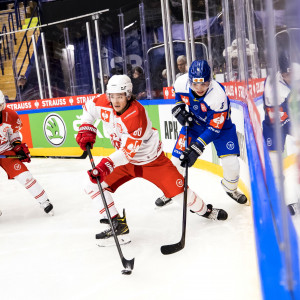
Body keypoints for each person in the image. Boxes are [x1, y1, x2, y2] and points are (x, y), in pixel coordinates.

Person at [76, 74, 228, 246]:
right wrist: (86, 127)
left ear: (128, 95)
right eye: (112, 96)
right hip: (125, 163)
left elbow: (128, 152)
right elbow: (88, 109)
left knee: (180, 193)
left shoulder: (136, 114)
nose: (116, 101)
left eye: (120, 96)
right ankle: (118, 226)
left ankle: (206, 211)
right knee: (92, 185)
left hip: (152, 162)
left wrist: (106, 164)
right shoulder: (104, 102)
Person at [155, 60, 248, 207]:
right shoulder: (181, 82)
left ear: (210, 81)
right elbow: (178, 97)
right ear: (189, 81)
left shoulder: (218, 95)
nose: (199, 88)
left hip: (222, 128)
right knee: (176, 161)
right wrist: (178, 108)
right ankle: (171, 190)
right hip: (194, 125)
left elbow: (213, 129)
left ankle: (230, 188)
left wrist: (197, 147)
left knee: (232, 164)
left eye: (203, 84)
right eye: (195, 84)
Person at [0, 90, 53, 215]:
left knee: (24, 175)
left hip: (6, 150)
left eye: (0, 105)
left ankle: (44, 201)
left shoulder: (10, 115)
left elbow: (13, 134)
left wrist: (17, 146)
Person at [262, 51, 299, 215]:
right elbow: (278, 119)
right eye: (286, 74)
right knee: (275, 162)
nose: (289, 77)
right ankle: (279, 200)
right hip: (274, 123)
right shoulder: (272, 86)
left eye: (291, 73)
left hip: (295, 115)